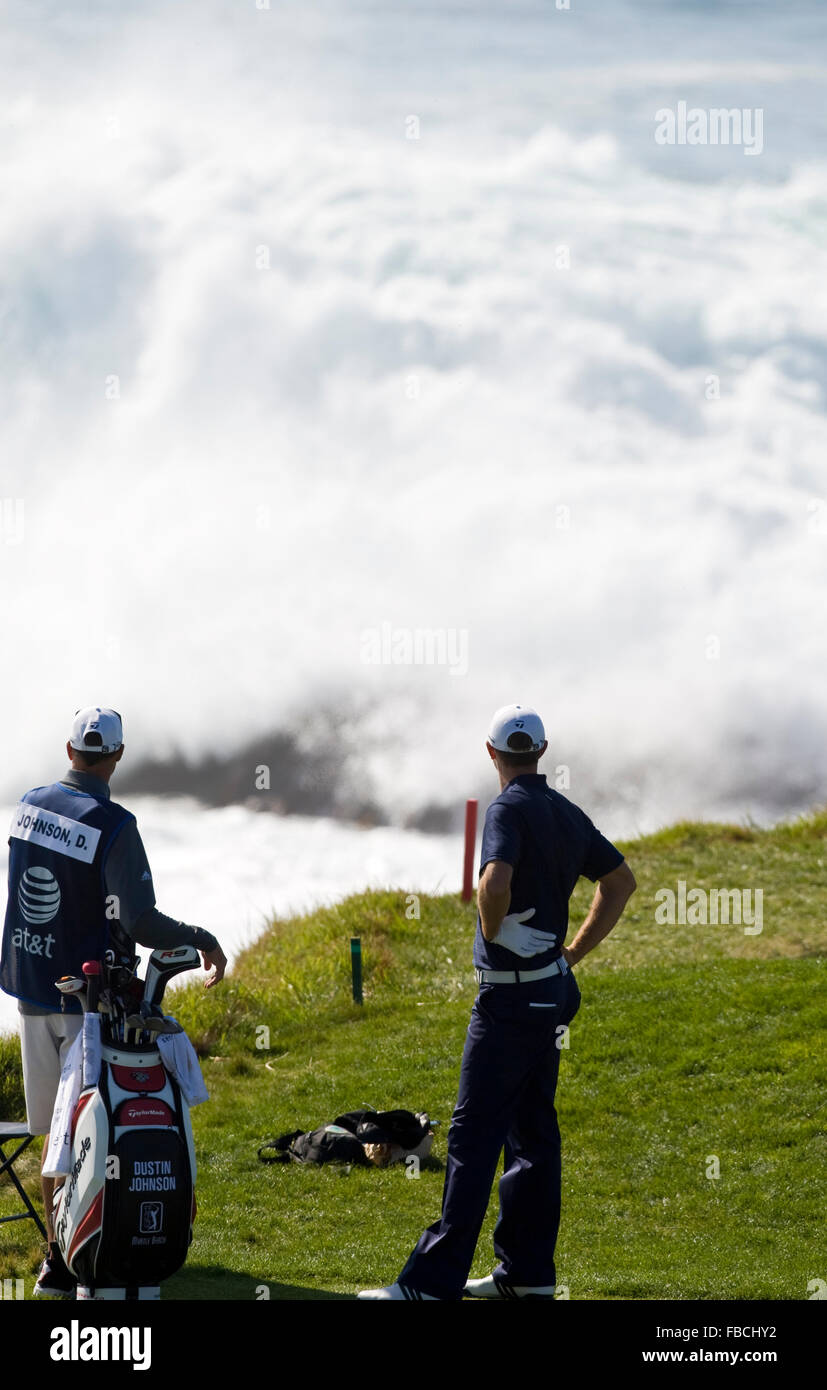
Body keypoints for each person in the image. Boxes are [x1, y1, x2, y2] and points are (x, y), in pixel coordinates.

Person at [358, 702, 636, 1301]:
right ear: (541, 751)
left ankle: (432, 1284)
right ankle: (528, 1274)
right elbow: (620, 883)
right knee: (533, 1133)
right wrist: (571, 955)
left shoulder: (506, 808)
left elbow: (495, 882)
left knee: (473, 1135)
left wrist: (492, 929)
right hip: (553, 995)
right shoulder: (564, 809)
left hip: (510, 1004)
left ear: (491, 754)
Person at [0, 706, 228, 1299]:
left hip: (30, 988)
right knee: (89, 1132)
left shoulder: (28, 804)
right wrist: (200, 938)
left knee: (53, 1131)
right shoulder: (115, 824)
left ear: (69, 748)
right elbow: (140, 919)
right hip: (88, 1003)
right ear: (118, 756)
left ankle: (57, 1260)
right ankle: (94, 1253)